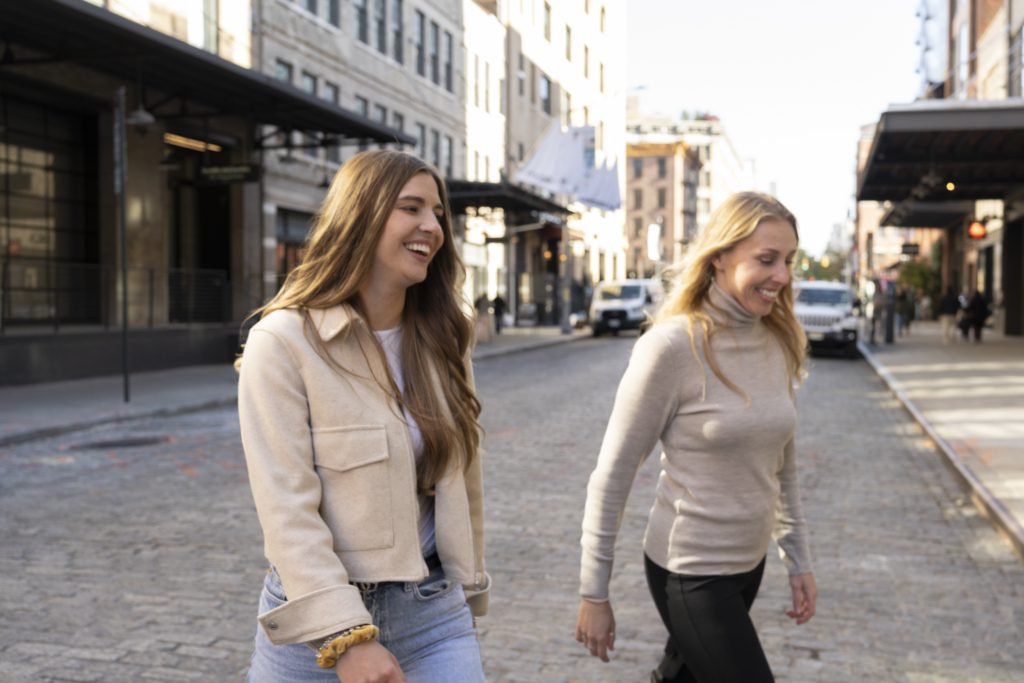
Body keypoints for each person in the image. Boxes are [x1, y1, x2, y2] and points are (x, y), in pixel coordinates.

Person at [237, 150, 489, 683]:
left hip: (433, 615)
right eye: (411, 208)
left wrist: (467, 586)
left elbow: (465, 481)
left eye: (438, 213)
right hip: (315, 630)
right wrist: (346, 637)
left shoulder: (445, 337)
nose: (433, 226)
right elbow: (286, 511)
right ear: (362, 215)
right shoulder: (281, 343)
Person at [575, 192, 816, 683]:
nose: (782, 277)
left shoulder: (778, 339)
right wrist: (593, 593)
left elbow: (782, 464)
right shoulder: (671, 346)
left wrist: (798, 559)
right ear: (720, 257)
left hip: (749, 564)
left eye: (788, 261)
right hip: (690, 571)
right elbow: (613, 476)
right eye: (766, 260)